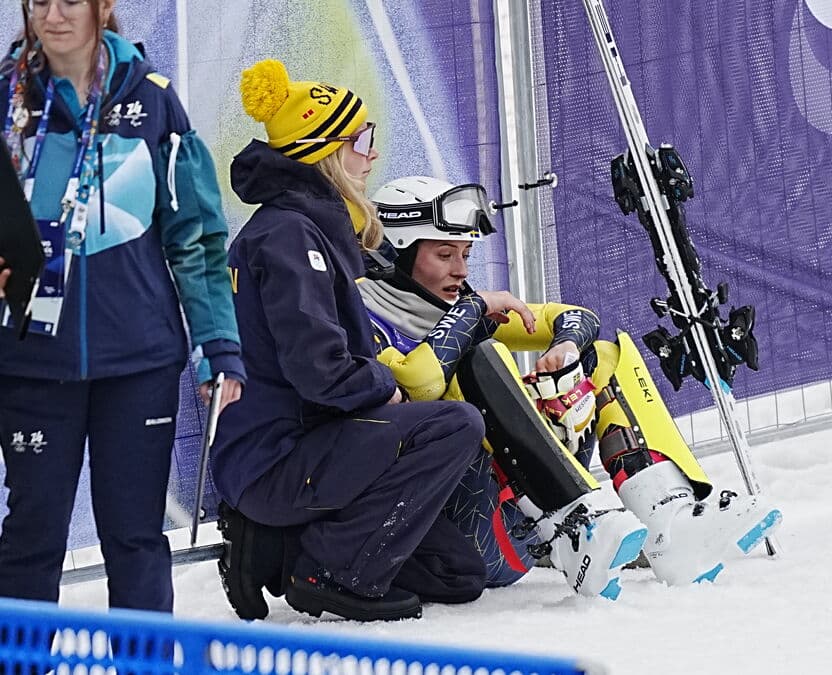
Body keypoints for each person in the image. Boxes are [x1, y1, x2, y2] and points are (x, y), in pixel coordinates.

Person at [360, 176, 783, 599]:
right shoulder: (361, 314)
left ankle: (669, 522)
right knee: (479, 361)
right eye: (444, 254)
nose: (462, 270)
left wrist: (563, 349)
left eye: (466, 254)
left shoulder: (459, 307)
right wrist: (473, 309)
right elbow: (420, 382)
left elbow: (578, 317)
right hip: (456, 541)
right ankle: (576, 527)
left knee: (600, 355)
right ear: (397, 253)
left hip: (518, 522)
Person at [209, 60, 487, 623]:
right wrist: (386, 387)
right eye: (362, 139)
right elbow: (320, 370)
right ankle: (329, 573)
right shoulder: (287, 235)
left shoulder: (306, 227)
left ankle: (276, 546)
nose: (373, 154)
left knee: (456, 575)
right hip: (274, 460)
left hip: (307, 447)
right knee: (454, 423)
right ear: (324, 150)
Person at [0, 0, 244, 613]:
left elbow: (196, 237)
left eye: (69, 1)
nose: (52, 16)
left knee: (135, 538)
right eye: (38, 1)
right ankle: (20, 659)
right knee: (31, 538)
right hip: (31, 361)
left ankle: (143, 659)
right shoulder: (7, 99)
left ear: (103, 6)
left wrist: (218, 346)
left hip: (139, 361)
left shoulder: (152, 100)